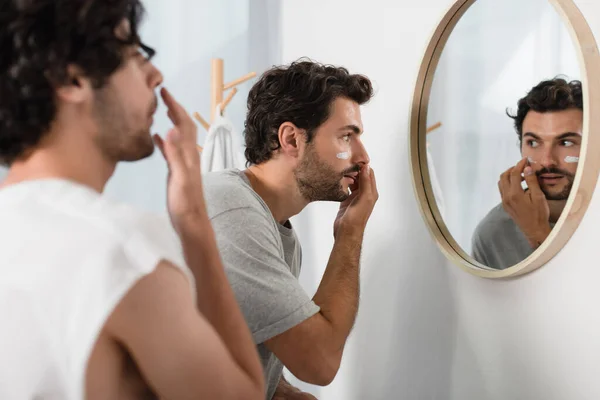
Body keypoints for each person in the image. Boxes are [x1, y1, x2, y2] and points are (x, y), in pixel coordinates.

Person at [0, 1, 264, 398]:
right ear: (72, 81)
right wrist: (193, 221)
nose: (156, 75)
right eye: (136, 56)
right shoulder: (119, 246)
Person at [202, 60, 379, 399]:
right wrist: (350, 232)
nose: (363, 156)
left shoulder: (279, 232)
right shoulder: (231, 209)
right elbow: (319, 363)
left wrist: (283, 392)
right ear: (291, 140)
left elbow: (248, 347)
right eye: (346, 137)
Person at [471, 78, 582, 269]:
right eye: (533, 142)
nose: (547, 161)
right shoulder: (493, 232)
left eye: (565, 143)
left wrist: (538, 233)